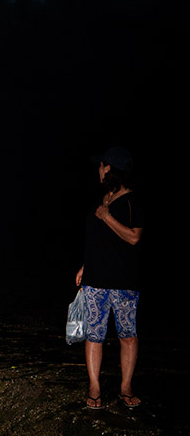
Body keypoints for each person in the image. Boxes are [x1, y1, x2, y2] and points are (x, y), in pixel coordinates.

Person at [76, 147, 143, 409]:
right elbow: (96, 241)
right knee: (95, 335)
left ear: (111, 169)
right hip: (96, 278)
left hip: (125, 281)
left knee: (127, 334)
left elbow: (134, 237)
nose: (99, 171)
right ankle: (94, 387)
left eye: (102, 166)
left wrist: (107, 218)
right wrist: (85, 266)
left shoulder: (131, 202)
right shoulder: (102, 199)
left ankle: (125, 388)